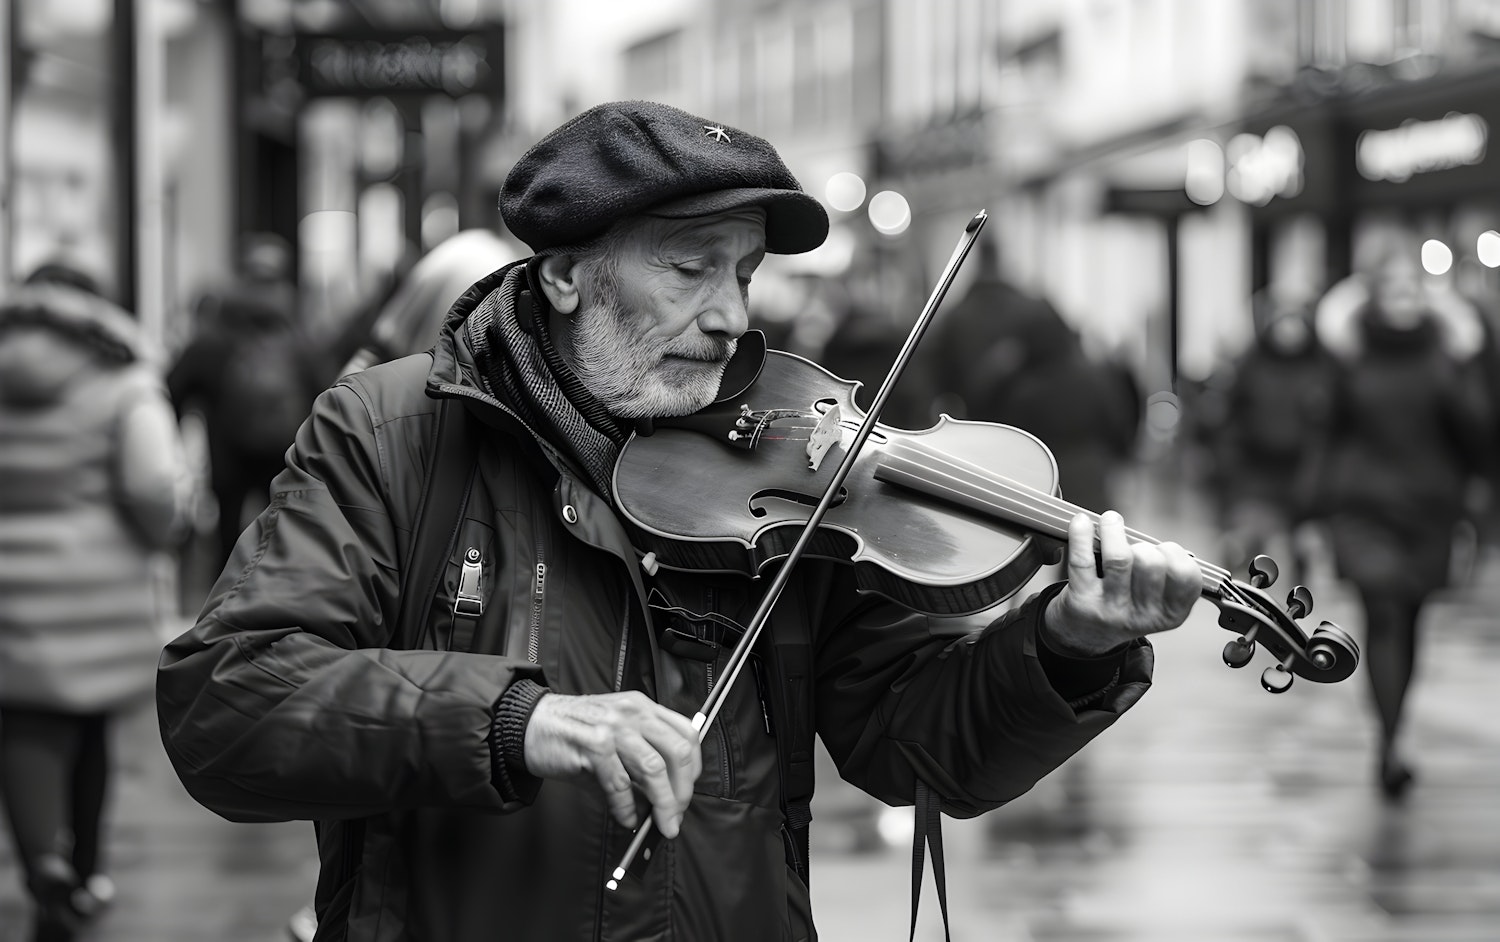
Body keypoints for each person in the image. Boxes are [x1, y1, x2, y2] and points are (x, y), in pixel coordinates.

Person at [156, 100, 1204, 941]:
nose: (731, 318)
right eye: (689, 267)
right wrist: (517, 721)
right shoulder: (392, 431)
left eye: (743, 274)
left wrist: (1068, 645)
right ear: (566, 272)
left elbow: (914, 746)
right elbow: (229, 704)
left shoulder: (788, 479)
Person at [0, 270, 192, 942]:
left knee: (23, 723)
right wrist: (157, 538)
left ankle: (43, 862)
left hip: (9, 586)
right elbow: (153, 483)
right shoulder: (122, 376)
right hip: (97, 581)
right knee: (88, 728)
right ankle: (83, 870)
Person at [1305, 245, 1490, 801]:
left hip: (1430, 510)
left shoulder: (1447, 354)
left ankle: (1394, 726)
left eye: (1414, 287)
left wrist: (1464, 364)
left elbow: (1478, 433)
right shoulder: (1350, 355)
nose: (1404, 296)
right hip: (1364, 509)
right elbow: (1325, 433)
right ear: (1373, 295)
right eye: (1393, 286)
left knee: (1410, 621)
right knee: (1383, 613)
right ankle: (1388, 743)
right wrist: (1309, 512)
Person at [166, 233, 322, 567]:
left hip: (227, 458)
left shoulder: (214, 337)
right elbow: (325, 391)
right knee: (281, 534)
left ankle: (221, 606)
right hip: (285, 454)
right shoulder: (297, 338)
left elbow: (174, 389)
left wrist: (174, 447)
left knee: (227, 538)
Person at [1211, 294, 1336, 585]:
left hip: (1306, 475)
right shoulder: (1250, 366)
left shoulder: (1324, 369)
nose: (1289, 330)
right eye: (1283, 321)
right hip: (1255, 475)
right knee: (1248, 553)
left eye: (1296, 322)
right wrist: (1228, 464)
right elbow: (1229, 421)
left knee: (1300, 560)